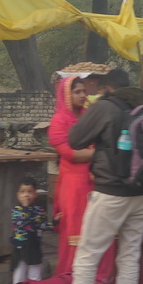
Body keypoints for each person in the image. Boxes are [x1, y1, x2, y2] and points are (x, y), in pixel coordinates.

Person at [42, 68, 143, 284]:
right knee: (129, 256)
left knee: (87, 255)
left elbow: (75, 139)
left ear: (107, 88)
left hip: (111, 193)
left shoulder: (106, 107)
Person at [48, 76, 99, 272]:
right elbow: (71, 154)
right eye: (77, 91)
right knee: (74, 230)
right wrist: (99, 153)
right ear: (66, 94)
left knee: (96, 230)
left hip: (95, 181)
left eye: (84, 91)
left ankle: (96, 279)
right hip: (73, 185)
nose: (83, 95)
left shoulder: (89, 116)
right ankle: (71, 276)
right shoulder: (59, 121)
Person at [11, 177, 55, 283]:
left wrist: (54, 222)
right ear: (18, 195)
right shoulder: (16, 211)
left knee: (35, 271)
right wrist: (25, 207)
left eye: (30, 192)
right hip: (21, 246)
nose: (26, 195)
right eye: (22, 192)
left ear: (35, 194)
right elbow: (21, 222)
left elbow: (42, 225)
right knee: (19, 272)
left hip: (34, 245)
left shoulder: (39, 210)